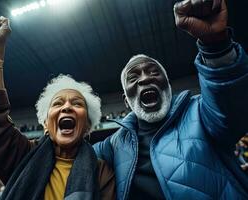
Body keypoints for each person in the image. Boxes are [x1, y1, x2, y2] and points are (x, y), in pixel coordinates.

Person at [94, 0, 248, 199]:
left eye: (154, 72)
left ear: (167, 86)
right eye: (134, 77)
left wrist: (216, 44)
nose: (145, 78)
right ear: (126, 102)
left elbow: (230, 106)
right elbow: (68, 158)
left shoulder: (200, 113)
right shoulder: (113, 145)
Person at [0, 17, 115, 200]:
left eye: (77, 103)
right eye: (58, 103)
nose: (67, 107)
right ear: (45, 124)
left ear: (88, 126)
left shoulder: (101, 171)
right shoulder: (24, 156)